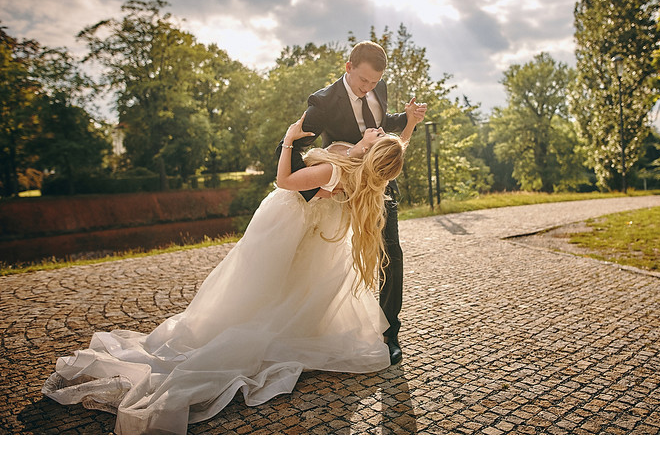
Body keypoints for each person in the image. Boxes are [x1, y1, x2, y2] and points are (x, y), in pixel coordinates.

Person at [41, 109, 423, 435]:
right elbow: (383, 156)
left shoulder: (331, 172)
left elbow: (286, 182)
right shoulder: (360, 170)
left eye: (377, 137)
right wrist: (377, 141)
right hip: (310, 228)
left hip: (286, 223)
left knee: (253, 284)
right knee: (286, 289)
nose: (375, 131)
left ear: (371, 152)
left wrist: (290, 140)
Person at [279, 40, 427, 365]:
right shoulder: (324, 102)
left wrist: (408, 117)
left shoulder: (379, 86)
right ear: (348, 68)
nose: (369, 87)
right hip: (343, 187)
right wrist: (306, 190)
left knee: (391, 253)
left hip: (380, 186)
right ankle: (308, 328)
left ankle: (390, 334)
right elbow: (294, 139)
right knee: (327, 256)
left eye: (374, 83)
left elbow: (383, 121)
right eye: (363, 81)